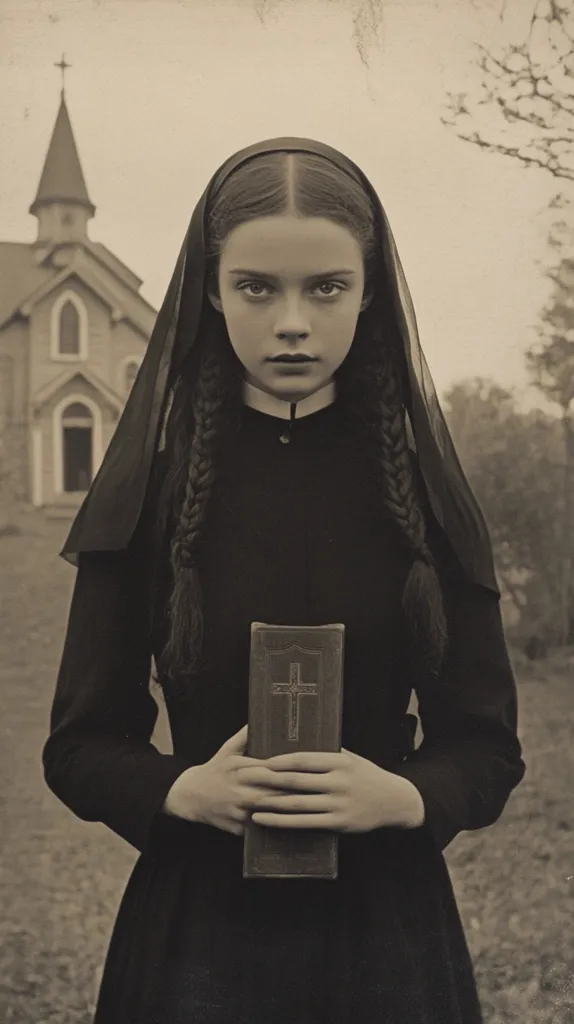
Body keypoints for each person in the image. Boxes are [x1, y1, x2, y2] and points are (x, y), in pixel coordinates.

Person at [42, 138, 526, 1024]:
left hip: (389, 937)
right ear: (213, 292)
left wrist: (406, 796)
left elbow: (488, 747)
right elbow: (78, 746)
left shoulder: (423, 497)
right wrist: (183, 789)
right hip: (199, 935)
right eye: (258, 287)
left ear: (369, 292)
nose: (292, 322)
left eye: (327, 287)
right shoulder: (153, 499)